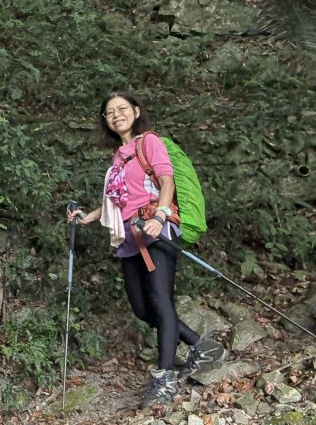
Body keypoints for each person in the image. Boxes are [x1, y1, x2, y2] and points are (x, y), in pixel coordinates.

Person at [68, 91, 224, 408]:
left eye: (122, 108)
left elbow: (167, 181)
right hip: (129, 238)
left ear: (136, 111)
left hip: (156, 230)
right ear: (105, 121)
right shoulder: (119, 156)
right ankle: (199, 345)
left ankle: (165, 379)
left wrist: (160, 216)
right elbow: (118, 201)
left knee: (160, 299)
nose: (116, 115)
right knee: (142, 308)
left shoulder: (149, 142)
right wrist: (88, 217)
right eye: (110, 112)